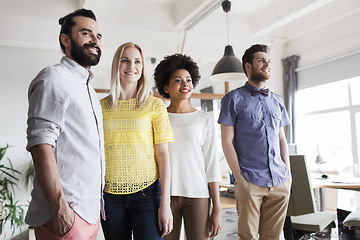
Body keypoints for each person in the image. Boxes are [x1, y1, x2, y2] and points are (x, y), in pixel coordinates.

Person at [25, 8, 105, 240]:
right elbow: (41, 144)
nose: (95, 40)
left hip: (90, 214)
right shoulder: (54, 77)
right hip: (65, 213)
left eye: (98, 36)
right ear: (66, 39)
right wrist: (59, 207)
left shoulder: (88, 87)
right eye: (86, 33)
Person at [100, 42, 173, 240]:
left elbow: (163, 155)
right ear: (117, 65)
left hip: (148, 195)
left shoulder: (155, 105)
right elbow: (93, 152)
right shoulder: (100, 108)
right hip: (110, 196)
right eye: (125, 60)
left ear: (142, 68)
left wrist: (165, 204)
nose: (131, 66)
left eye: (137, 61)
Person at [218, 44, 291, 240]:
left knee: (273, 237)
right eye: (261, 60)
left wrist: (288, 173)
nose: (267, 64)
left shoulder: (277, 100)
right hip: (250, 179)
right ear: (248, 66)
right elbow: (226, 142)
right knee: (247, 236)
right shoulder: (232, 99)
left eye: (268, 61)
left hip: (279, 179)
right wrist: (240, 178)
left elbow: (281, 139)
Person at [153, 53, 222, 240]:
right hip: (164, 196)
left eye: (188, 80)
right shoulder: (158, 118)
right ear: (165, 87)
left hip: (198, 195)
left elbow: (212, 165)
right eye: (178, 80)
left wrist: (217, 208)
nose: (185, 84)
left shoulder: (204, 120)